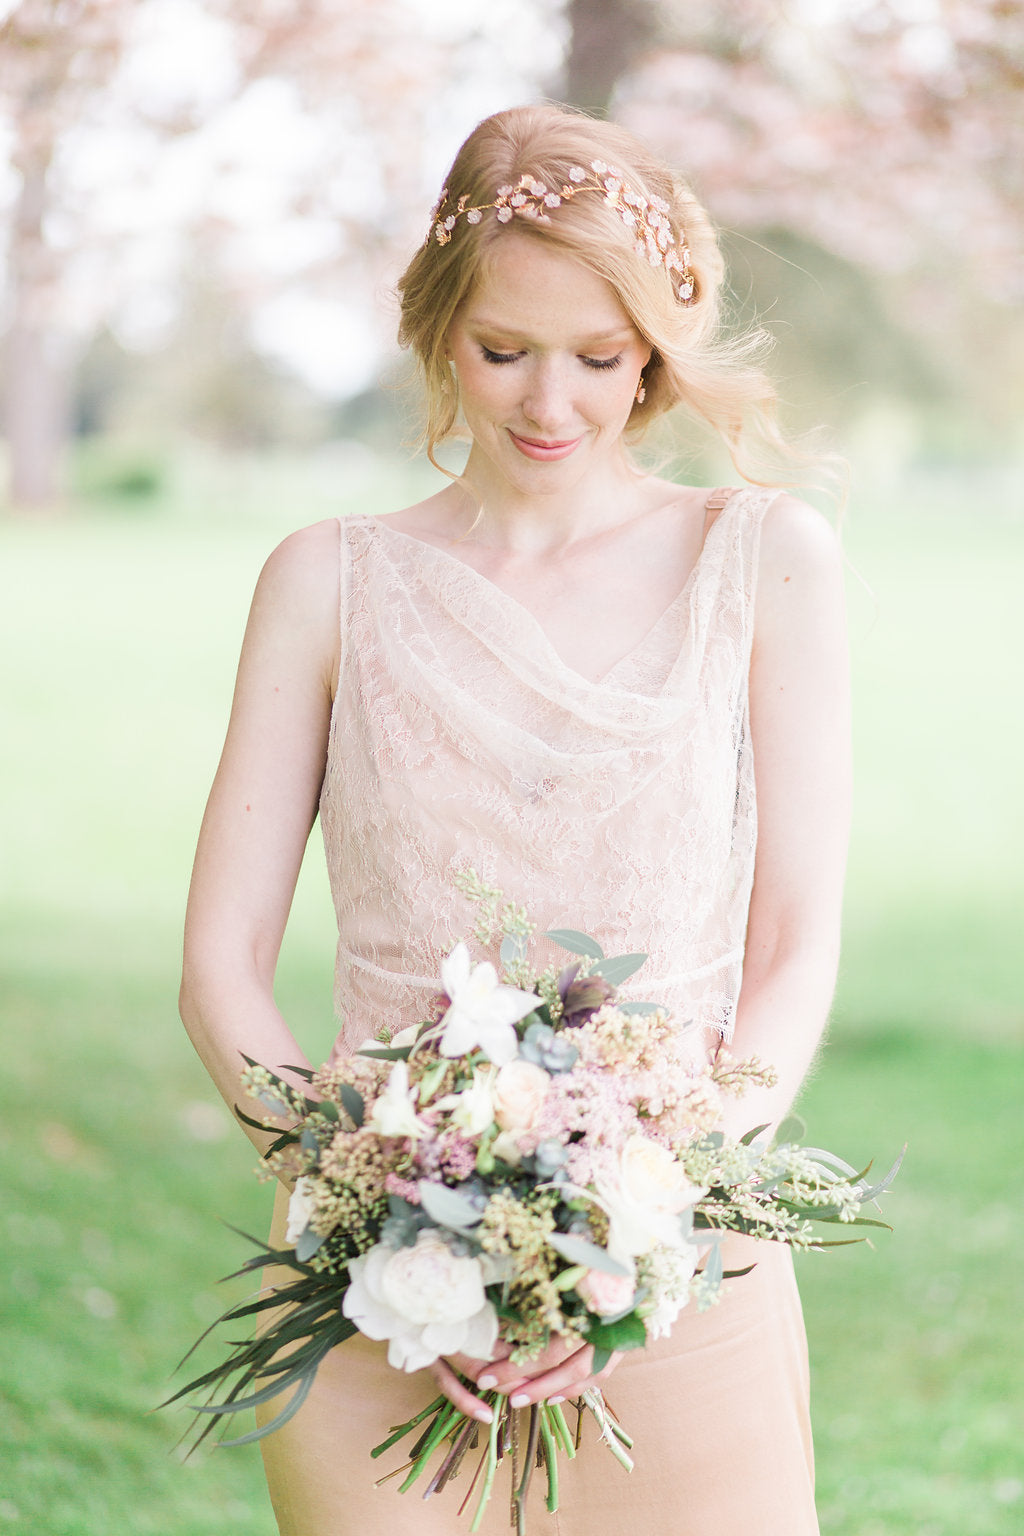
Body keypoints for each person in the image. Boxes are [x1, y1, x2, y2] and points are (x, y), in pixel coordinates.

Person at [179, 103, 849, 1536]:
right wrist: (369, 1212)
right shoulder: (326, 582)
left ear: (658, 350)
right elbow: (222, 967)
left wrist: (647, 1219)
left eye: (600, 360)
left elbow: (794, 944)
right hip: (377, 1300)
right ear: (437, 335)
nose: (551, 403)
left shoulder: (764, 562)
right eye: (504, 352)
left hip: (679, 1276)